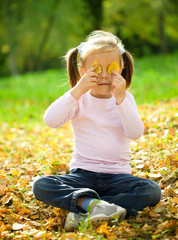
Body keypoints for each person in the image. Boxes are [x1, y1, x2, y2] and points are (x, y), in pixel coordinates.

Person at [33, 30, 161, 230]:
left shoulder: (125, 99)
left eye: (110, 69)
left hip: (118, 176)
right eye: (95, 68)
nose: (103, 75)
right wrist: (76, 90)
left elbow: (135, 133)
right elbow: (51, 120)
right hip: (82, 174)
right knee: (41, 185)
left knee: (152, 191)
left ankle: (83, 207)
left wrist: (120, 100)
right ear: (84, 71)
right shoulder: (78, 99)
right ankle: (96, 206)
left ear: (121, 68)